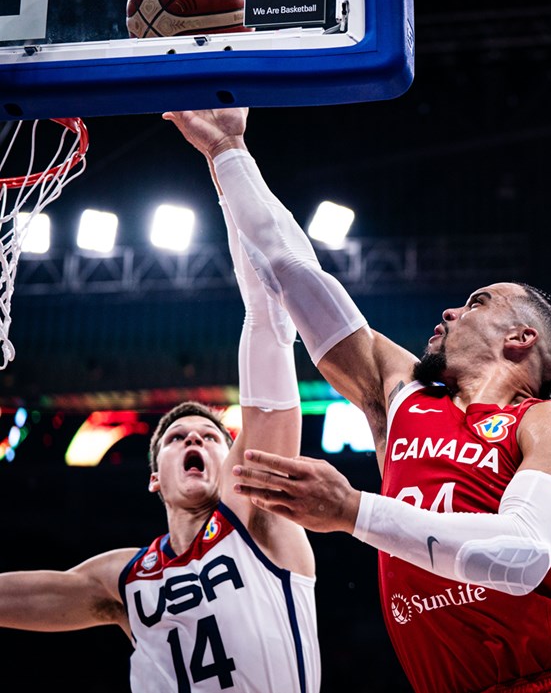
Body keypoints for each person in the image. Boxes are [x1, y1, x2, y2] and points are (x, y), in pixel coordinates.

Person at [165, 106, 551, 693]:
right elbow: (293, 271)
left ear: (520, 339)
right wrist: (227, 150)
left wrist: (353, 511)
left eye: (477, 302)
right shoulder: (402, 397)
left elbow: (522, 555)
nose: (450, 310)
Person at [0, 154, 321, 692]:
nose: (194, 437)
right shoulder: (123, 576)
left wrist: (225, 159)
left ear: (232, 461)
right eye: (176, 438)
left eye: (212, 437)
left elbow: (267, 318)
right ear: (155, 477)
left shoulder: (258, 516)